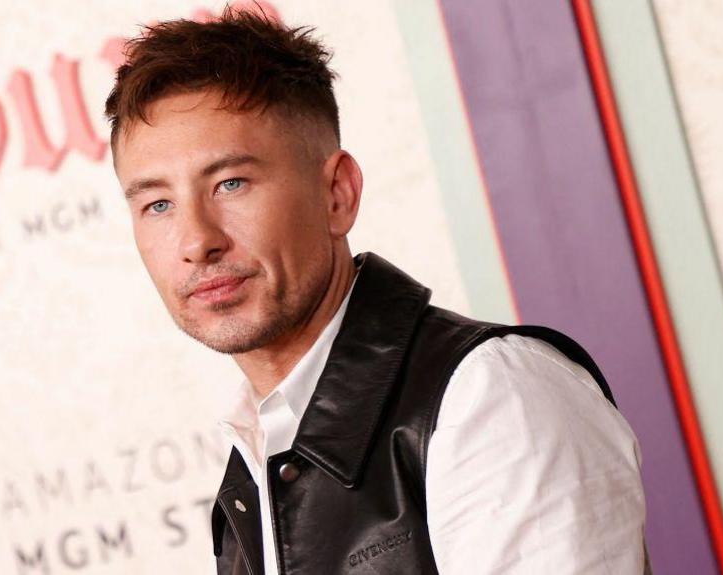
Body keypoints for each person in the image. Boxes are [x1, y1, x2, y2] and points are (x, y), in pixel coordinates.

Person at [105, 6, 647, 574]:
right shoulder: (257, 453)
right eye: (157, 204)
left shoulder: (488, 398)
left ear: (337, 194)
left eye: (230, 183)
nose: (196, 241)